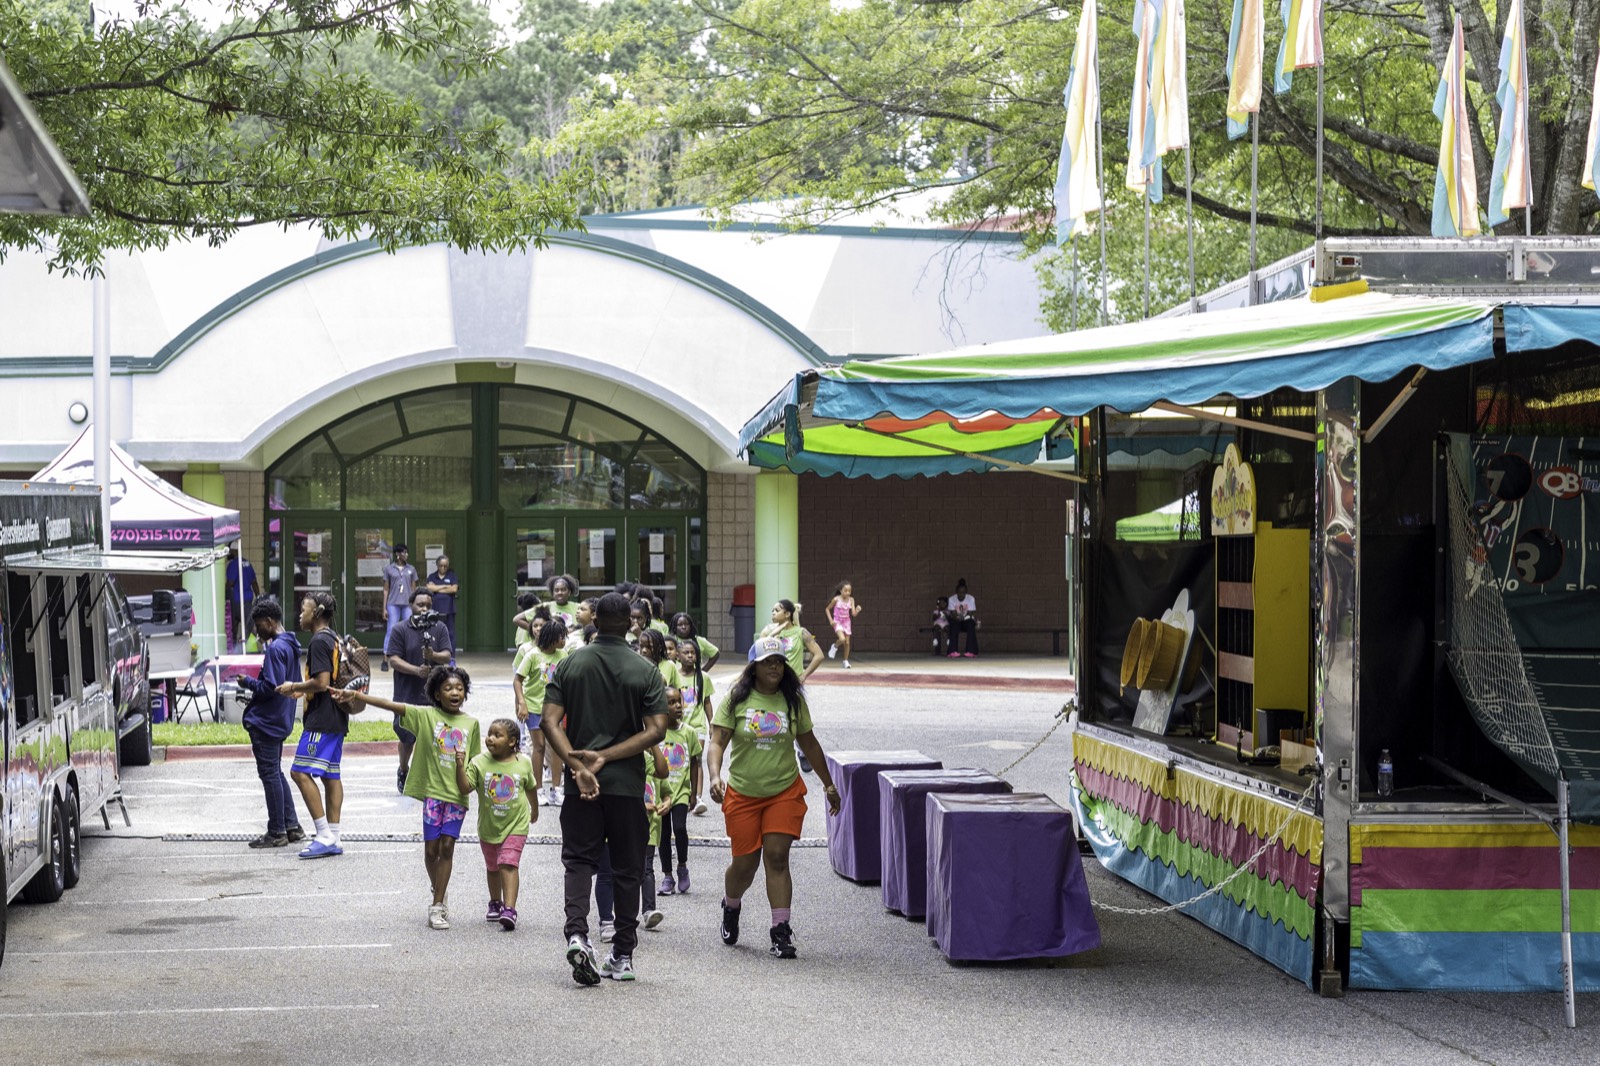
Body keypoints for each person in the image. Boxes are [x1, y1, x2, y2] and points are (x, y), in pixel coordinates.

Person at [540, 591, 670, 986]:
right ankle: (623, 954)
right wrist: (608, 758)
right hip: (628, 786)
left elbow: (548, 722)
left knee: (579, 861)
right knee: (629, 869)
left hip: (583, 786)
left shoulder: (569, 665)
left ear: (594, 619)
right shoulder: (645, 670)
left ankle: (578, 935)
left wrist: (579, 764)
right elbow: (657, 730)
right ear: (630, 622)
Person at [708, 637, 841, 959]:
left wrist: (829, 785)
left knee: (778, 857)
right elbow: (716, 742)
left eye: (779, 662)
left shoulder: (792, 701)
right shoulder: (736, 699)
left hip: (783, 790)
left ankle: (780, 930)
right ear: (753, 667)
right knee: (745, 865)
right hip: (743, 792)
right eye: (768, 661)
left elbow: (809, 744)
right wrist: (714, 775)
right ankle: (731, 904)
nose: (774, 667)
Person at [337, 666, 481, 930]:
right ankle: (438, 886)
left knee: (447, 847)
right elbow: (391, 704)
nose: (455, 692)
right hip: (433, 795)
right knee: (431, 850)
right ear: (437, 694)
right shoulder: (425, 715)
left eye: (459, 688)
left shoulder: (471, 724)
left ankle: (437, 906)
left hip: (457, 797)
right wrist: (357, 696)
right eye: (448, 688)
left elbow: (475, 764)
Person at [455, 718, 538, 932]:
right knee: (493, 867)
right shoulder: (479, 762)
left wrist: (534, 809)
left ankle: (509, 909)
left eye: (497, 735)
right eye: (489, 734)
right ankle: (495, 902)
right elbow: (465, 788)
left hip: (515, 825)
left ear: (512, 742)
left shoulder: (524, 762)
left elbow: (530, 787)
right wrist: (459, 766)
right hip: (489, 826)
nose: (490, 738)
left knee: (508, 863)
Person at [278, 592, 344, 858]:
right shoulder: (333, 637)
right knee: (331, 775)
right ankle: (335, 836)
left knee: (299, 772)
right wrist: (302, 690)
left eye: (303, 610)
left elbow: (321, 682)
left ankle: (324, 834)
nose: (300, 615)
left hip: (322, 719)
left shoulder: (318, 641)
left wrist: (293, 686)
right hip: (337, 716)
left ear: (316, 613)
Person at [237, 598, 304, 848]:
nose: (256, 630)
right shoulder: (290, 645)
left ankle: (277, 831)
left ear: (270, 621)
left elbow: (270, 687)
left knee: (269, 773)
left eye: (258, 625)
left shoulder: (276, 648)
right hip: (280, 718)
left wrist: (248, 682)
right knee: (275, 771)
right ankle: (292, 825)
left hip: (267, 721)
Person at [386, 589, 454, 793]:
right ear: (411, 605)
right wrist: (416, 670)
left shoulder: (439, 627)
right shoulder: (400, 629)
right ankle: (403, 769)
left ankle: (430, 776)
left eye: (428, 605)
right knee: (407, 738)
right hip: (406, 693)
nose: (424, 609)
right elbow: (393, 659)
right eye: (420, 605)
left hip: (433, 696)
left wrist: (433, 654)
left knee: (434, 738)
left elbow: (447, 655)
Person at [513, 615, 568, 809]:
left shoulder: (563, 656)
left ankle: (556, 789)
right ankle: (538, 789)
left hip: (556, 708)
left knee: (556, 747)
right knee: (539, 746)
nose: (564, 641)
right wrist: (522, 703)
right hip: (535, 707)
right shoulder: (533, 655)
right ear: (552, 638)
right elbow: (517, 680)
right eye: (561, 637)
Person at [656, 684, 702, 896]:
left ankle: (682, 865)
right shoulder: (656, 733)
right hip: (661, 793)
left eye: (679, 701)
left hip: (681, 791)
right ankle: (667, 875)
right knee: (663, 834)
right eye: (671, 702)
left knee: (680, 828)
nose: (677, 706)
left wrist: (694, 792)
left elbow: (694, 763)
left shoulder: (689, 732)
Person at [676, 640, 714, 816]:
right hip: (679, 725)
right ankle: (682, 795)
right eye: (686, 653)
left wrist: (711, 722)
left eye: (693, 653)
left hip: (697, 725)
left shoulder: (703, 677)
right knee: (681, 760)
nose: (690, 656)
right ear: (678, 655)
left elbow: (706, 701)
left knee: (696, 759)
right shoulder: (674, 675)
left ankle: (698, 797)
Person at [639, 736, 672, 932]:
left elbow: (667, 792)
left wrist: (667, 802)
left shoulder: (654, 765)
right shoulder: (632, 763)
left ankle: (649, 910)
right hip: (630, 826)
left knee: (647, 867)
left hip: (651, 827)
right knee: (629, 869)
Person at [759, 598, 823, 684]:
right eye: (772, 610)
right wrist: (773, 635)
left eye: (777, 610)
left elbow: (819, 655)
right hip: (772, 683)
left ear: (787, 614)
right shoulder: (767, 631)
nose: (773, 613)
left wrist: (804, 675)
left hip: (793, 682)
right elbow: (758, 655)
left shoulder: (801, 632)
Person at [382, 543, 419, 651]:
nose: (406, 554)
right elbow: (385, 589)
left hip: (408, 604)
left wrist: (415, 605)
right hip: (392, 604)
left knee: (410, 629)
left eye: (407, 552)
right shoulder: (389, 569)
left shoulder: (411, 569)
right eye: (404, 552)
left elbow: (414, 589)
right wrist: (384, 608)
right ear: (397, 554)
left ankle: (409, 653)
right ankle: (386, 656)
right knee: (391, 629)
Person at [224, 555, 260, 653]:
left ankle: (235, 651)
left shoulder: (233, 564)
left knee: (234, 628)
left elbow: (230, 582)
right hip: (247, 601)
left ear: (234, 551)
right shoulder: (247, 563)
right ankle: (265, 644)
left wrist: (223, 593)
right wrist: (258, 597)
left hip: (235, 600)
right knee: (249, 626)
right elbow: (254, 583)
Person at [425, 554, 460, 652]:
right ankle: (436, 655)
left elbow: (454, 589)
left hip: (449, 610)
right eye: (441, 565)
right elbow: (429, 588)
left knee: (450, 634)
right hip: (435, 610)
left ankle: (451, 657)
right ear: (437, 565)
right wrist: (445, 586)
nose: (443, 568)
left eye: (445, 566)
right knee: (435, 633)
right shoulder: (432, 576)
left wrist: (437, 588)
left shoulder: (452, 576)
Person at [824, 581, 862, 669]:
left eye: (849, 591)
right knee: (842, 639)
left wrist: (857, 610)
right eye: (846, 590)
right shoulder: (836, 599)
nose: (848, 593)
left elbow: (853, 614)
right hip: (837, 621)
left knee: (847, 642)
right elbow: (827, 609)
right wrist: (830, 620)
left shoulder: (851, 600)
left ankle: (845, 661)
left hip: (847, 622)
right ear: (841, 591)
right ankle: (835, 646)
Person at [946, 578, 979, 658]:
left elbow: (970, 613)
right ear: (956, 592)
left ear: (966, 593)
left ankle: (970, 651)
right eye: (959, 593)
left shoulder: (971, 599)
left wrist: (963, 618)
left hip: (966, 620)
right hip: (956, 620)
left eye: (963, 593)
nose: (961, 595)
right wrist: (958, 618)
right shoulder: (951, 599)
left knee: (971, 624)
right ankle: (952, 651)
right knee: (954, 624)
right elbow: (953, 614)